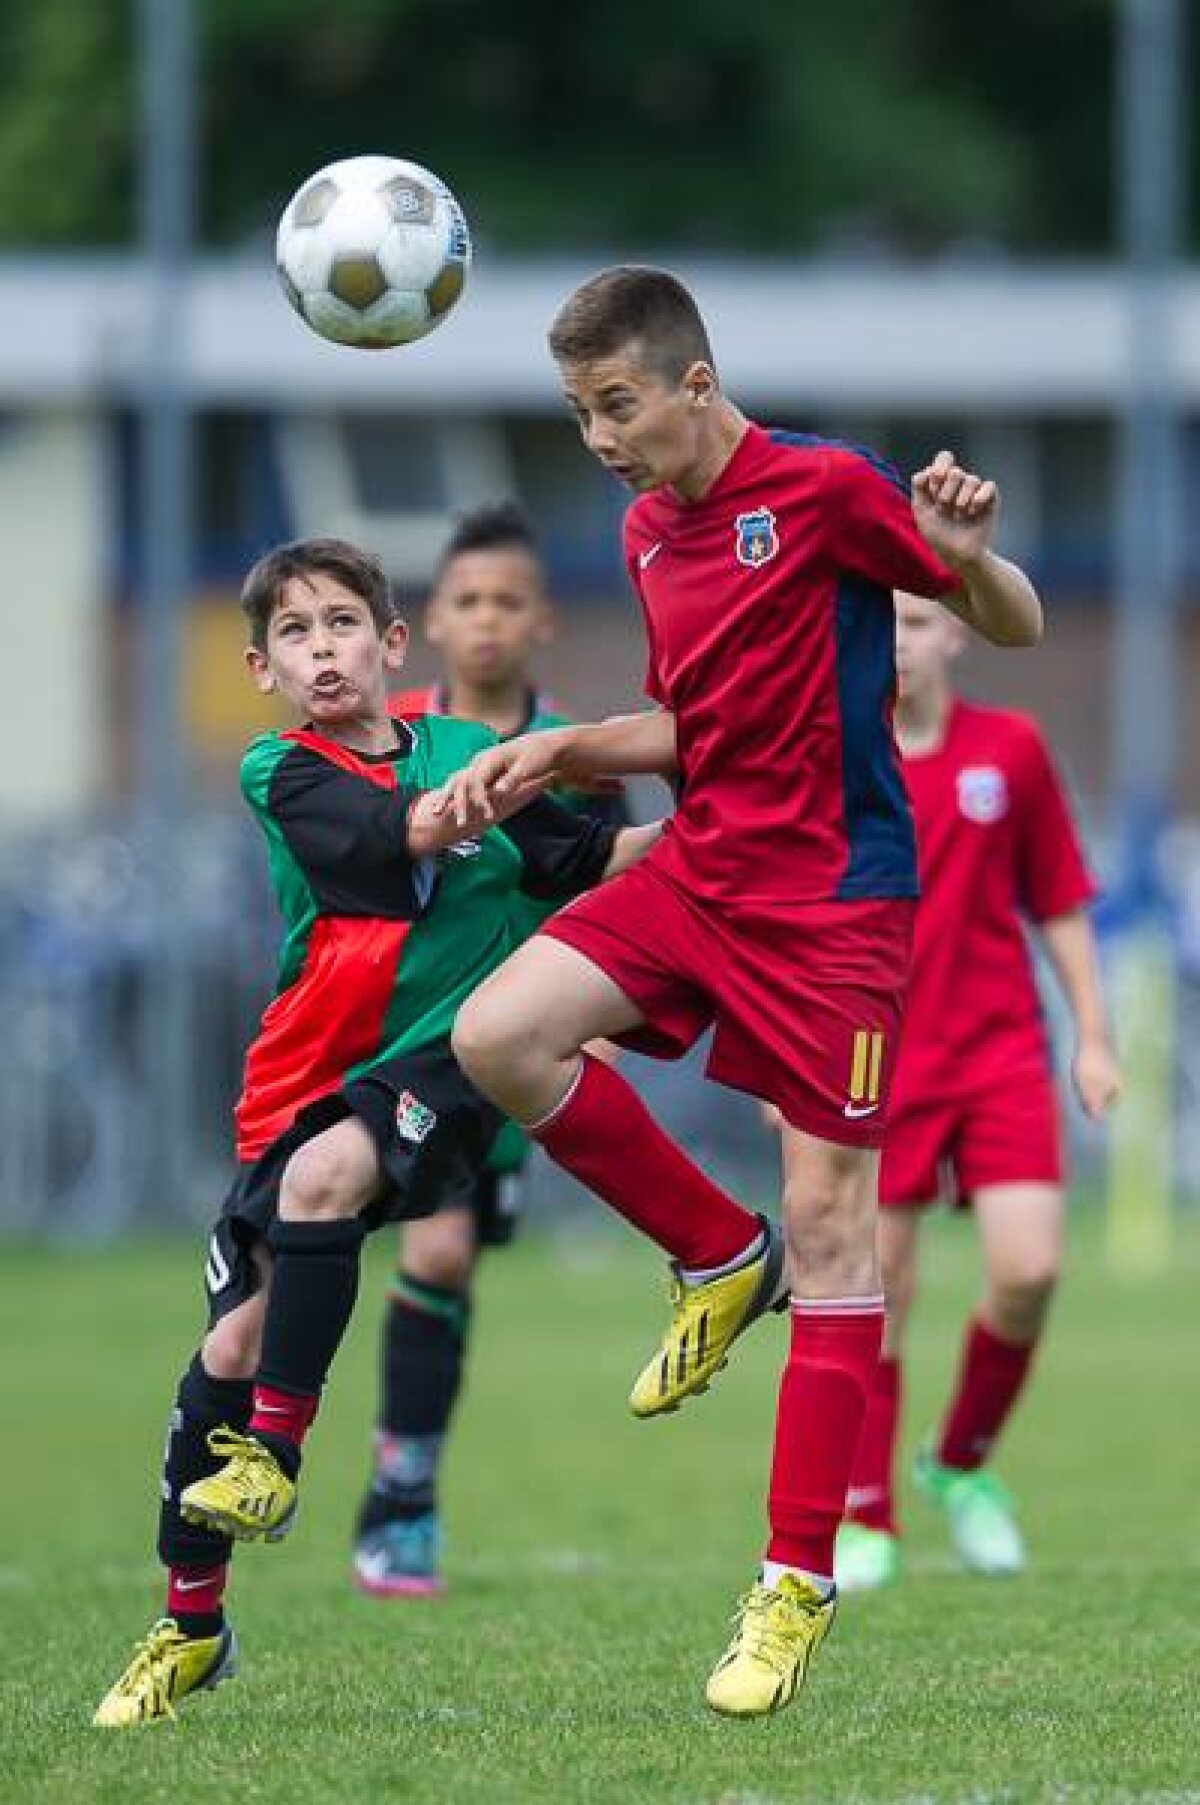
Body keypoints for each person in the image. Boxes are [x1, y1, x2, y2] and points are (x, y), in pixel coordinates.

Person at [437, 266, 1044, 1718]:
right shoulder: (648, 526)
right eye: (580, 411)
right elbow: (700, 727)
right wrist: (560, 749)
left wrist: (963, 555)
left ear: (694, 386)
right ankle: (719, 1255)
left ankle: (793, 1583)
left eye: (617, 404)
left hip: (837, 903)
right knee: (500, 1036)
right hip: (702, 869)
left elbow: (1010, 625)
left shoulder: (825, 488)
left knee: (838, 1228)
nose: (598, 435)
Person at [93, 536, 659, 1727]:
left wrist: (737, 817)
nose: (321, 649)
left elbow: (591, 857)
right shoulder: (278, 768)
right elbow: (391, 837)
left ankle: (283, 1459)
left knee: (331, 1176)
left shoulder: (473, 753)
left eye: (342, 623)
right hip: (301, 1079)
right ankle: (190, 1623)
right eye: (294, 634)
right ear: (264, 667)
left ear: (393, 644)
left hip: (449, 1068)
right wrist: (490, 788)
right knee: (226, 1353)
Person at [353, 501, 629, 1597]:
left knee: (454, 1264)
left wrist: (601, 1027)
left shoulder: (575, 757)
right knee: (438, 1252)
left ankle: (403, 1475)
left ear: (543, 620)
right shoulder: (390, 743)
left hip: (520, 1049)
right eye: (466, 600)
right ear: (430, 620)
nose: (486, 620)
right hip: (403, 1047)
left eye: (507, 600)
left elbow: (622, 890)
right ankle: (402, 1500)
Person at [834, 591, 1120, 1593]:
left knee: (1030, 1269)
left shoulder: (1013, 748)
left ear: (954, 632)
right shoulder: (839, 761)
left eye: (915, 622)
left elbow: (1061, 897)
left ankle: (957, 1461)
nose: (898, 643)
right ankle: (866, 1514)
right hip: (879, 1057)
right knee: (884, 1287)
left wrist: (1094, 1036)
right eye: (879, 624)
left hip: (1000, 1050)